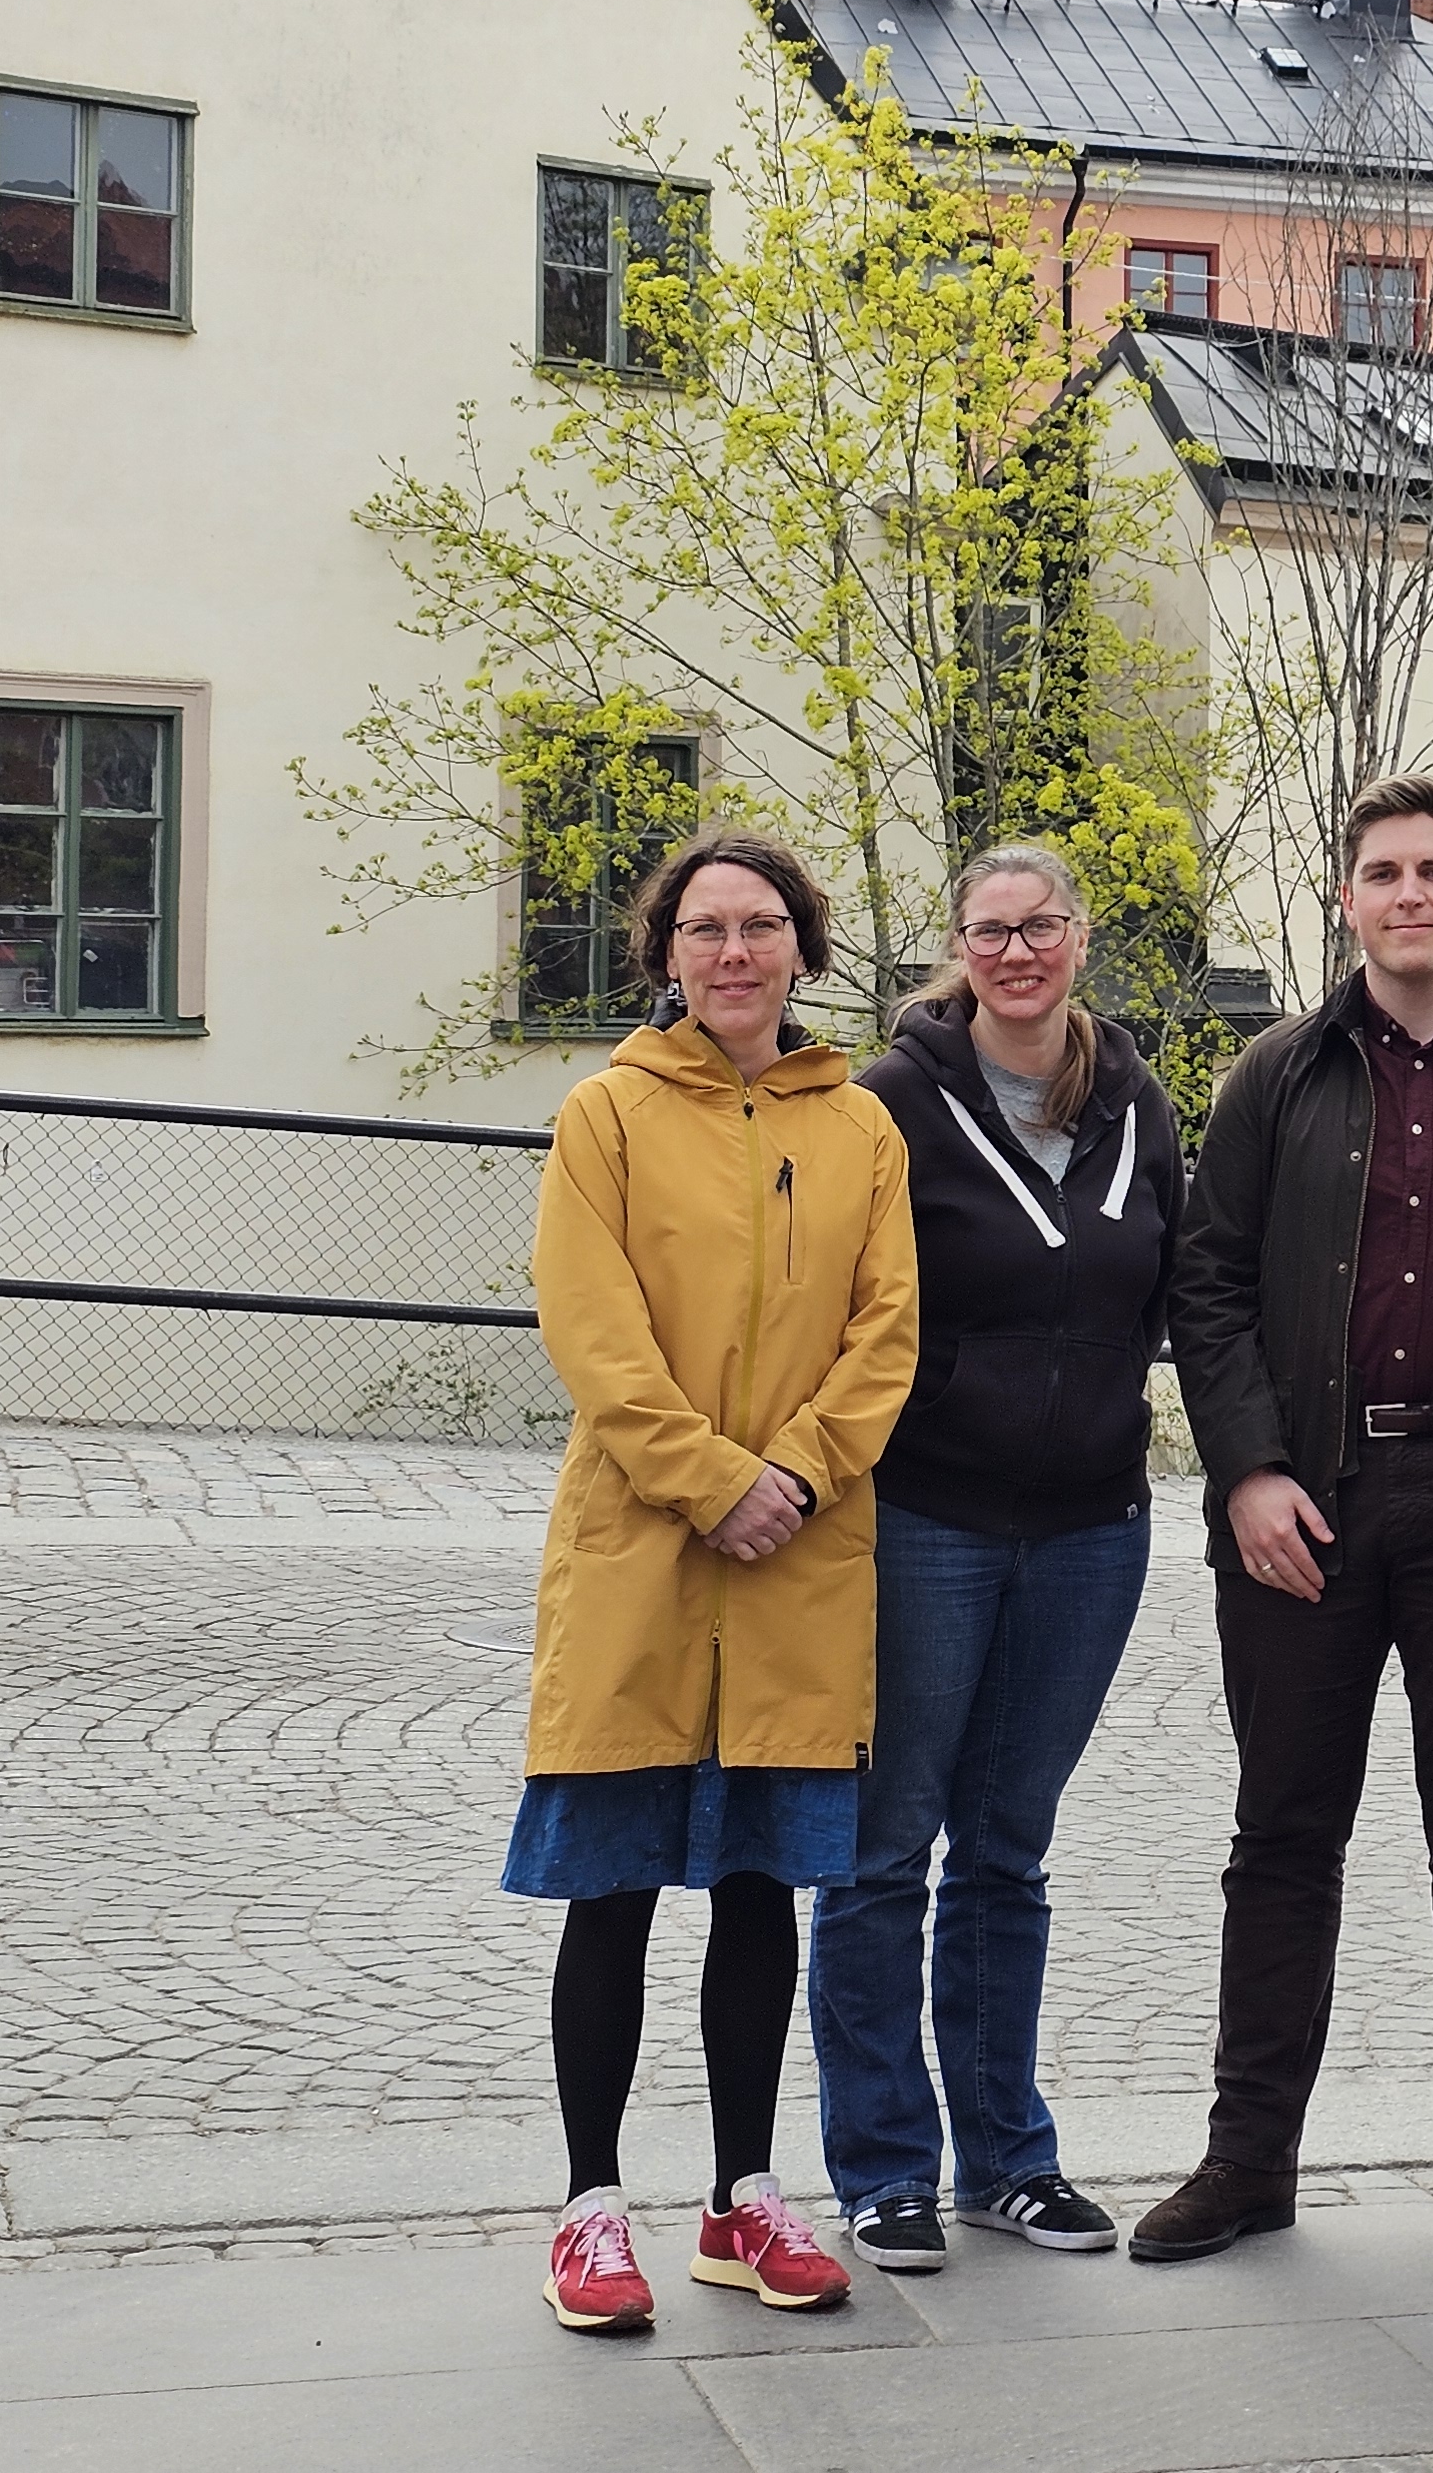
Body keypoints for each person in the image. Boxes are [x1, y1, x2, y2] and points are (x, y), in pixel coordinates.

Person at [1145, 775, 1433, 2268]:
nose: (1410, 896)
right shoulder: (1275, 1074)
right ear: (1349, 902)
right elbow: (1206, 1279)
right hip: (1304, 1505)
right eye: (1383, 874)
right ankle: (1248, 2159)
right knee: (1283, 1836)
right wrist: (1248, 1470)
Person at [509, 829, 916, 2336]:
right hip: (644, 1552)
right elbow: (593, 1328)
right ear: (666, 953)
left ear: (802, 948)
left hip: (796, 1555)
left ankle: (744, 2198)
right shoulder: (605, 1115)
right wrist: (710, 1480)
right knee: (611, 1894)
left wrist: (791, 1477)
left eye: (759, 927)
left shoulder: (861, 1128)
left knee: (759, 1893)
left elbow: (886, 1332)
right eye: (705, 929)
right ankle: (589, 2208)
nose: (733, 953)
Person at [814, 843, 1188, 2272]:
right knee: (883, 1850)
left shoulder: (1138, 1104)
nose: (1017, 952)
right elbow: (842, 1299)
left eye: (1041, 927)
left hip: (1091, 1526)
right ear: (958, 947)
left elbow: (1170, 1289)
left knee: (1009, 1852)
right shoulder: (891, 1103)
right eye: (990, 931)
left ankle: (1008, 2161)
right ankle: (884, 2169)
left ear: (1080, 939)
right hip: (929, 1518)